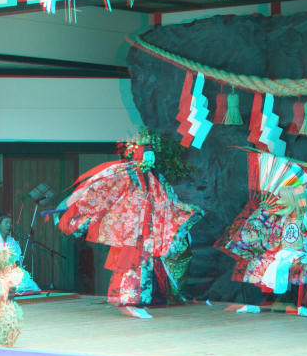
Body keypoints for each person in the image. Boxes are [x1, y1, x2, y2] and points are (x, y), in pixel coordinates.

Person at [56, 134, 203, 318]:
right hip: (131, 231)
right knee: (130, 265)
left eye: (152, 153)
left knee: (143, 267)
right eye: (146, 152)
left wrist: (185, 212)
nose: (150, 157)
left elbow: (167, 201)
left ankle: (136, 301)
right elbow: (102, 190)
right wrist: (75, 210)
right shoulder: (126, 173)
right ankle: (126, 301)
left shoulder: (154, 177)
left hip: (146, 231)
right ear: (137, 153)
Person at [217, 183, 307, 316]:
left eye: (282, 198)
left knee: (305, 266)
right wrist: (264, 213)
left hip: (302, 255)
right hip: (283, 255)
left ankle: (304, 305)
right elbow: (272, 239)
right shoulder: (283, 219)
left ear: (292, 200)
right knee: (256, 264)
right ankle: (254, 304)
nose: (279, 201)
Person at [0, 213, 39, 294]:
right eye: (6, 223)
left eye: (10, 223)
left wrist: (16, 263)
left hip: (11, 275)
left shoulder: (12, 241)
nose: (9, 225)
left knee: (32, 286)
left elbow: (18, 260)